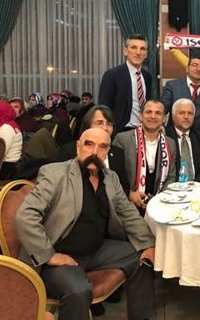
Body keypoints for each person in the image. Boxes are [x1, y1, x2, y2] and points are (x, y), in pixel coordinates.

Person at [15, 128, 156, 320]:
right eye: (89, 144)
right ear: (78, 147)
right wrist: (49, 255)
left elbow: (128, 214)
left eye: (102, 147)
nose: (95, 152)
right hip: (58, 254)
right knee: (79, 290)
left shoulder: (111, 178)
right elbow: (26, 215)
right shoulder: (55, 174)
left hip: (96, 250)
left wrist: (148, 244)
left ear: (107, 152)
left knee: (144, 256)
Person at [113, 100, 177, 212]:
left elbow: (171, 177)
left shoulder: (170, 144)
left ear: (164, 118)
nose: (153, 116)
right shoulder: (122, 139)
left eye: (158, 113)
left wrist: (159, 198)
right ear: (141, 116)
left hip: (160, 204)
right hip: (127, 204)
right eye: (148, 112)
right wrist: (129, 194)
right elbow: (113, 176)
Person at [58, 105, 129, 195]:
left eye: (109, 124)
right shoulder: (68, 151)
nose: (105, 128)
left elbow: (124, 187)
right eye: (100, 123)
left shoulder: (118, 153)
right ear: (88, 125)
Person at [99, 34, 152, 133]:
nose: (138, 52)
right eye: (134, 47)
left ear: (146, 54)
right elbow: (104, 108)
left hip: (144, 130)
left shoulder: (147, 76)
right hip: (121, 131)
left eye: (142, 49)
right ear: (125, 51)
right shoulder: (112, 75)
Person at [165, 98, 200, 183]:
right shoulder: (165, 136)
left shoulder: (199, 136)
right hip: (172, 186)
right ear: (173, 116)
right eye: (182, 113)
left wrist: (195, 184)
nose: (186, 117)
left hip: (196, 185)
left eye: (190, 113)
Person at [0, 100, 23, 179]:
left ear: (2, 112)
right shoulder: (9, 125)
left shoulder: (6, 129)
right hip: (6, 165)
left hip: (6, 169)